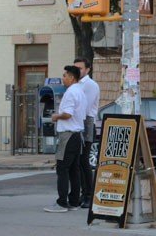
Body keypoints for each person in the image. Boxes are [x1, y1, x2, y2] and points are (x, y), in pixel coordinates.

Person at [44, 65, 87, 213]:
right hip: (77, 135)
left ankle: (62, 203)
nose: (63, 78)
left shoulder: (70, 93)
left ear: (72, 78)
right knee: (74, 170)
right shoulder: (80, 92)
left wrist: (56, 116)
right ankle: (74, 201)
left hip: (68, 135)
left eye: (65, 75)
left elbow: (67, 114)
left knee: (62, 169)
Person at [75, 57, 101, 209]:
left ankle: (88, 195)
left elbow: (84, 107)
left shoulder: (90, 85)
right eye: (75, 67)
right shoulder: (77, 84)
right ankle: (82, 193)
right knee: (77, 160)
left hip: (86, 121)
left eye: (80, 68)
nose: (77, 70)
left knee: (84, 160)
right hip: (77, 122)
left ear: (87, 69)